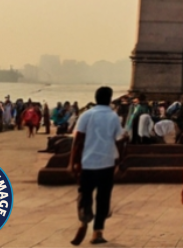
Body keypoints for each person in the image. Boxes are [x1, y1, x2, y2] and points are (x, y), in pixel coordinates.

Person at [69, 86, 128, 246]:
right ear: (109, 99)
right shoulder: (113, 117)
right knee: (103, 199)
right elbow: (120, 140)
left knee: (84, 194)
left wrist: (72, 162)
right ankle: (97, 233)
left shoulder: (86, 115)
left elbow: (78, 140)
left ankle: (84, 219)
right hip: (107, 163)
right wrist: (121, 162)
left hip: (87, 163)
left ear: (95, 98)